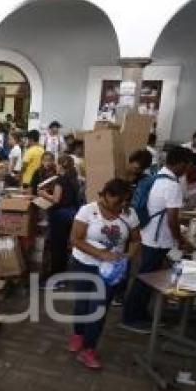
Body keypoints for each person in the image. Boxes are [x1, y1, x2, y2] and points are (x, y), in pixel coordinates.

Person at [68, 179, 140, 369]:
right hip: (84, 264)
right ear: (105, 195)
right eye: (117, 201)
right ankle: (78, 333)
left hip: (109, 271)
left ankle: (89, 349)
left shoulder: (129, 214)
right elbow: (75, 239)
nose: (121, 205)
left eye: (125, 201)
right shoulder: (88, 211)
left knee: (98, 308)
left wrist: (126, 257)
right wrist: (101, 254)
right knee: (82, 303)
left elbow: (135, 240)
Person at [121, 146, 193, 333]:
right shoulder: (172, 185)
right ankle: (130, 318)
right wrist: (180, 239)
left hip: (149, 234)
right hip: (158, 238)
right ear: (180, 163)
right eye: (187, 166)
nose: (187, 170)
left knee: (146, 278)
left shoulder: (157, 177)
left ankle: (140, 313)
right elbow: (172, 219)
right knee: (145, 280)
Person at [39, 155, 82, 283]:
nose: (55, 166)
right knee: (64, 247)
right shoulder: (74, 178)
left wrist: (44, 194)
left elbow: (56, 199)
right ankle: (62, 275)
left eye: (57, 164)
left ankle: (56, 278)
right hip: (71, 213)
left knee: (57, 247)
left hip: (60, 216)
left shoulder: (61, 180)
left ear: (61, 166)